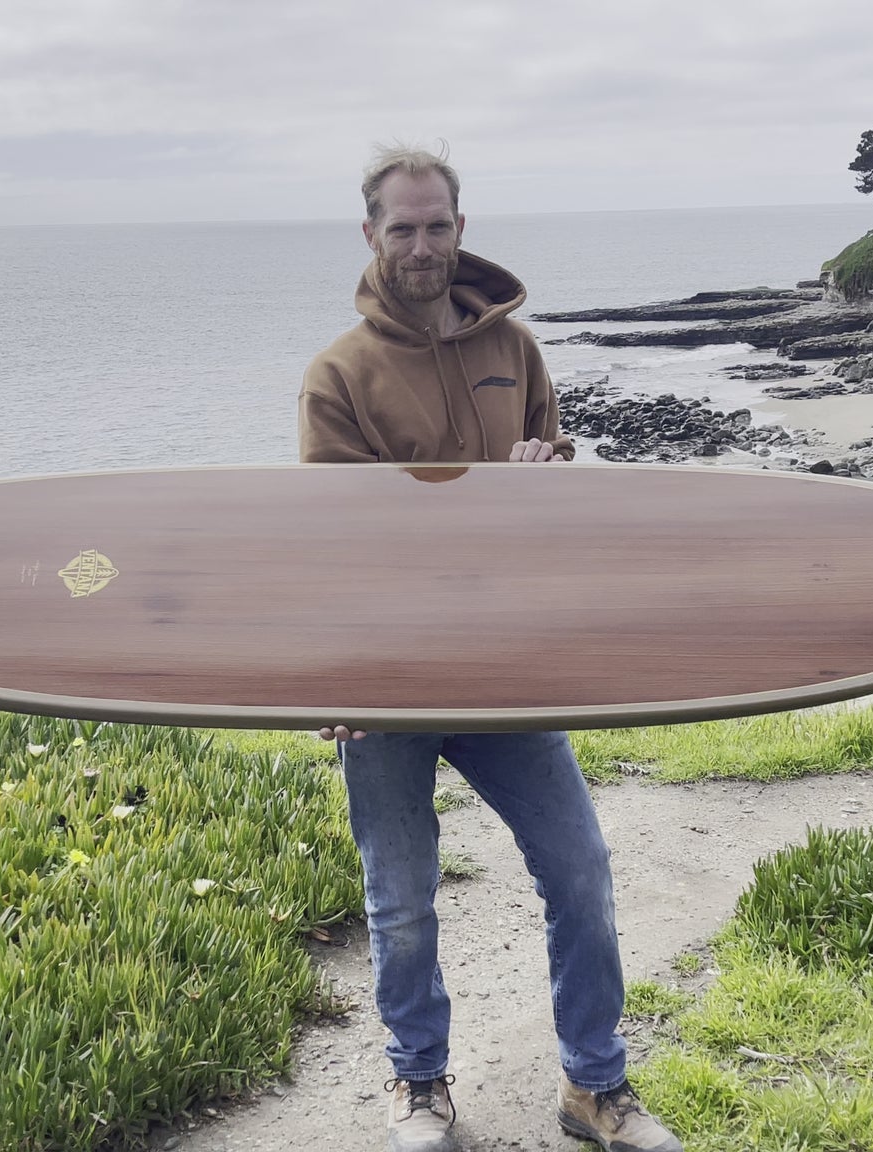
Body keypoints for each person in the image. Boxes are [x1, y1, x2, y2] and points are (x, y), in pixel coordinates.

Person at [298, 143, 683, 1152]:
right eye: (402, 228)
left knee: (579, 872)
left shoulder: (515, 349)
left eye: (437, 225)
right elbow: (333, 543)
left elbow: (553, 498)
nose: (421, 246)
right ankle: (418, 1083)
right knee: (401, 901)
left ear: (460, 227)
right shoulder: (338, 375)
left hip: (508, 666)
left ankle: (594, 1087)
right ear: (371, 234)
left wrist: (540, 474)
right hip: (391, 678)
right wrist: (336, 674)